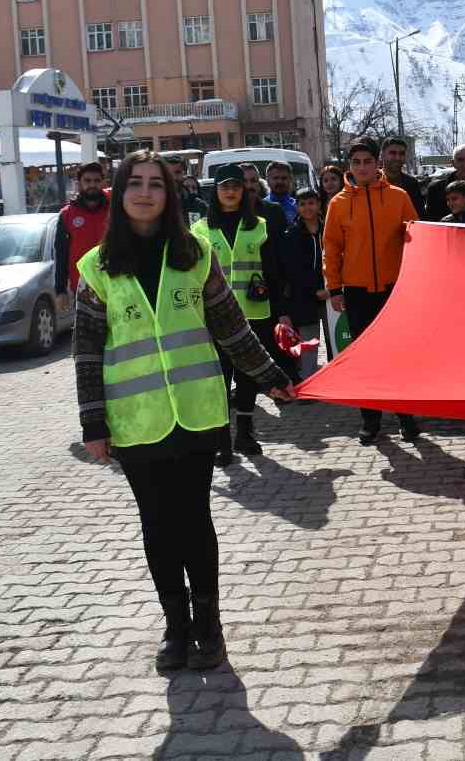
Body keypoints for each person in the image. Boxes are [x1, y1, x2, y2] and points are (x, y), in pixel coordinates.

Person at [75, 151, 293, 673]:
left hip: (197, 414)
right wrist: (93, 422)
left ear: (170, 195)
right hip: (136, 420)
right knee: (157, 525)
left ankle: (209, 626)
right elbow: (86, 350)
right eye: (136, 184)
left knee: (195, 521)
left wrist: (273, 378)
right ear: (119, 193)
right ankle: (175, 627)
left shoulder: (195, 253)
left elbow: (231, 326)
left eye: (157, 184)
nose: (146, 192)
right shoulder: (97, 266)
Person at [324, 138, 422, 444]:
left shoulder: (399, 197)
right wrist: (334, 288)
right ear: (349, 166)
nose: (363, 167)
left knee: (400, 354)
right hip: (356, 290)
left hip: (395, 289)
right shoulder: (338, 203)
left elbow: (415, 238)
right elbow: (331, 248)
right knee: (365, 357)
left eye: (368, 161)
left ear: (377, 164)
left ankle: (406, 417)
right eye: (357, 162)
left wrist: (416, 280)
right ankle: (370, 419)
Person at [194, 165, 283, 464]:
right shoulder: (200, 230)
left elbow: (273, 271)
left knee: (247, 377)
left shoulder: (259, 225)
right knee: (219, 379)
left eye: (235, 186)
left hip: (254, 314)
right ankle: (221, 442)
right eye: (224, 186)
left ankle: (244, 434)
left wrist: (281, 313)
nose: (230, 191)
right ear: (215, 191)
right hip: (215, 318)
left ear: (243, 190)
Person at [273, 186, 326, 383]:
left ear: (319, 205)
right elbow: (293, 270)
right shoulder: (291, 234)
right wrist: (315, 290)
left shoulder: (330, 228)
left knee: (336, 341)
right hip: (304, 298)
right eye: (302, 204)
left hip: (331, 294)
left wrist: (331, 288)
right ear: (296, 207)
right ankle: (308, 383)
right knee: (309, 343)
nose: (307, 208)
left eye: (311, 203)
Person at [55, 162, 110, 295]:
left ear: (103, 182)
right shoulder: (66, 215)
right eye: (87, 180)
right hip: (83, 289)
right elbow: (61, 254)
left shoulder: (116, 206)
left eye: (97, 180)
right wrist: (60, 290)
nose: (92, 184)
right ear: (79, 183)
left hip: (115, 284)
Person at [381, 137, 426, 218]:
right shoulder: (371, 181)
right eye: (392, 153)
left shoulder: (412, 184)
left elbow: (419, 216)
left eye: (402, 153)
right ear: (382, 155)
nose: (397, 158)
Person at [163, 154, 207, 222]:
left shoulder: (198, 206)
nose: (173, 177)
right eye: (168, 173)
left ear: (185, 174)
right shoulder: (156, 205)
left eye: (177, 172)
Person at [266, 160, 300, 227]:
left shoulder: (297, 207)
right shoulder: (261, 207)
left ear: (290, 179)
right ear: (268, 180)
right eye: (275, 178)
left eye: (284, 178)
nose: (280, 182)